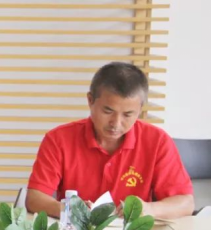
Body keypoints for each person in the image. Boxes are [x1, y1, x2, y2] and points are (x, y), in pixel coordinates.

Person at [26, 62, 194, 219]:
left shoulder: (157, 141)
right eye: (108, 111)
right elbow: (34, 198)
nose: (116, 123)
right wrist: (69, 209)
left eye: (128, 114)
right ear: (90, 101)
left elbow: (185, 203)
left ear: (140, 109)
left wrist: (149, 209)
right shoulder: (59, 139)